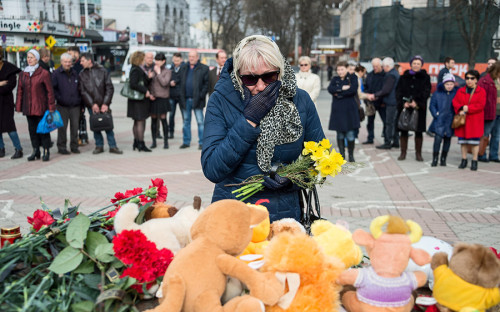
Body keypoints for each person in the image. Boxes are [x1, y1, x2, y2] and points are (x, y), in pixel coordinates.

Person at [201, 35, 325, 222]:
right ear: (238, 75)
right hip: (233, 215)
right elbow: (212, 169)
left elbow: (320, 161)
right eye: (250, 79)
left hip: (283, 217)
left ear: (280, 71)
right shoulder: (221, 101)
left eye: (269, 76)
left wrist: (292, 179)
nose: (260, 86)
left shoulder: (300, 100)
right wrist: (249, 120)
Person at [15, 49, 55, 161]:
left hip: (41, 108)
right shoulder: (23, 74)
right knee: (32, 131)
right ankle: (35, 150)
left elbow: (50, 92)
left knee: (43, 130)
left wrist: (51, 107)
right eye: (28, 57)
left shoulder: (43, 73)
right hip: (28, 108)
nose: (29, 59)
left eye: (31, 57)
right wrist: (18, 106)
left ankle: (46, 151)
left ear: (37, 59)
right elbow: (20, 91)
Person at [79, 53, 122, 155]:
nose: (80, 63)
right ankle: (99, 146)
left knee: (108, 125)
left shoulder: (102, 71)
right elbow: (83, 91)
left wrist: (106, 103)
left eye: (82, 60)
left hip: (104, 103)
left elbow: (109, 87)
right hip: (91, 105)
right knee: (95, 125)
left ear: (89, 60)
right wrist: (92, 104)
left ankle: (113, 146)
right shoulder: (81, 74)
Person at [396, 55, 431, 161]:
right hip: (405, 107)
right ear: (411, 64)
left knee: (418, 131)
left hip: (419, 107)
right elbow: (398, 91)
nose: (416, 65)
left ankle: (418, 154)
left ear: (421, 65)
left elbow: (426, 91)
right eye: (414, 63)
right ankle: (403, 153)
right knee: (403, 130)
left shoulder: (425, 77)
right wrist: (403, 102)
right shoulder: (404, 77)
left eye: (418, 64)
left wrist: (417, 102)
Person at [452, 70, 486, 171]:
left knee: (475, 142)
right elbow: (455, 102)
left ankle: (474, 161)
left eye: (472, 78)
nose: (469, 80)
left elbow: (481, 105)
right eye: (467, 78)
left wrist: (469, 109)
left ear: (476, 80)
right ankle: (464, 159)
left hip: (475, 121)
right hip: (463, 120)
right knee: (463, 142)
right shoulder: (460, 90)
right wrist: (460, 109)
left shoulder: (481, 91)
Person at [328, 61, 360, 162]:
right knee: (340, 134)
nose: (340, 71)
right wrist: (342, 88)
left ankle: (351, 155)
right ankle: (342, 155)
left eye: (342, 69)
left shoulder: (353, 77)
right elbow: (330, 89)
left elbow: (353, 90)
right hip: (338, 110)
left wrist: (339, 93)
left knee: (350, 133)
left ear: (347, 69)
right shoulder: (335, 79)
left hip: (349, 110)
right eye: (338, 69)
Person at [52, 52, 81, 155]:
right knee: (62, 128)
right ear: (61, 62)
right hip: (62, 105)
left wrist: (79, 100)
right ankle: (62, 147)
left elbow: (80, 88)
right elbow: (53, 89)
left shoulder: (75, 73)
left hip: (75, 105)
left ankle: (74, 146)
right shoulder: (56, 74)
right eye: (65, 62)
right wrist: (59, 98)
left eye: (69, 62)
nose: (68, 64)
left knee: (75, 127)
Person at [368, 57, 400, 149]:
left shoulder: (390, 75)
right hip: (393, 101)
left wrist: (374, 95)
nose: (382, 68)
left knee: (389, 123)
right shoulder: (394, 73)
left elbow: (386, 90)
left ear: (387, 66)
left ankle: (388, 142)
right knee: (393, 122)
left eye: (383, 66)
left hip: (391, 102)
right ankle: (395, 141)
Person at [179, 50, 209, 150]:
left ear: (197, 57)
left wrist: (201, 95)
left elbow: (206, 84)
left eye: (193, 56)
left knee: (200, 122)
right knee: (186, 121)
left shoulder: (204, 68)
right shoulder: (183, 68)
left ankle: (202, 142)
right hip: (185, 99)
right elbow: (179, 82)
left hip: (198, 100)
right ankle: (186, 142)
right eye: (190, 56)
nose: (191, 58)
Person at [429, 73, 458, 167]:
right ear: (444, 84)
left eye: (451, 84)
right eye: (447, 84)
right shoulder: (437, 93)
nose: (449, 86)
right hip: (439, 120)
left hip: (450, 120)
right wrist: (435, 114)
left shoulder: (456, 93)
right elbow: (432, 105)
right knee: (437, 140)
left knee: (447, 140)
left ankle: (443, 158)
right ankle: (435, 158)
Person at [127, 51, 153, 152]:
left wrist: (149, 78)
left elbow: (142, 82)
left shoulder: (137, 68)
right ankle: (141, 144)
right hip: (138, 100)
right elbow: (133, 84)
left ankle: (136, 142)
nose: (144, 60)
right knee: (140, 121)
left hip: (136, 100)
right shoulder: (136, 69)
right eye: (143, 58)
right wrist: (145, 90)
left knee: (137, 121)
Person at [0, 47, 23, 159]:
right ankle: (1, 149)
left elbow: (10, 86)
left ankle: (18, 149)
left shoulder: (9, 68)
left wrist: (2, 87)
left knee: (10, 127)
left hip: (6, 103)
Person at [478, 61, 500, 162]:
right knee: (485, 134)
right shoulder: (485, 80)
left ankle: (494, 155)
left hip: (499, 112)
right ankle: (481, 154)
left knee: (496, 135)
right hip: (490, 112)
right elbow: (480, 96)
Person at [149, 52, 171, 149]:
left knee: (163, 120)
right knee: (153, 120)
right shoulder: (152, 70)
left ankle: (166, 142)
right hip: (154, 98)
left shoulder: (167, 71)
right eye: (156, 60)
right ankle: (154, 141)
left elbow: (165, 83)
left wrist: (158, 73)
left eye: (159, 60)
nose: (157, 62)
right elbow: (150, 83)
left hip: (163, 98)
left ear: (163, 61)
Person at [363, 57, 386, 144]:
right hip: (371, 102)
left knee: (385, 121)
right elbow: (365, 86)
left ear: (381, 66)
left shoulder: (385, 75)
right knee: (370, 122)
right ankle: (370, 138)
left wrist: (378, 97)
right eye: (373, 66)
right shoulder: (370, 74)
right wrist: (367, 96)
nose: (375, 68)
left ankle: (386, 139)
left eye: (376, 66)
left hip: (382, 103)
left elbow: (385, 89)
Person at [168, 53, 185, 139]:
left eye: (177, 60)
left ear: (181, 60)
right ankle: (171, 132)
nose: (176, 62)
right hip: (172, 95)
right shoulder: (170, 68)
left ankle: (185, 132)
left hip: (182, 96)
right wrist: (170, 82)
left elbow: (184, 78)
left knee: (184, 116)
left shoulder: (185, 68)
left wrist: (176, 81)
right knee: (171, 115)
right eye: (174, 60)